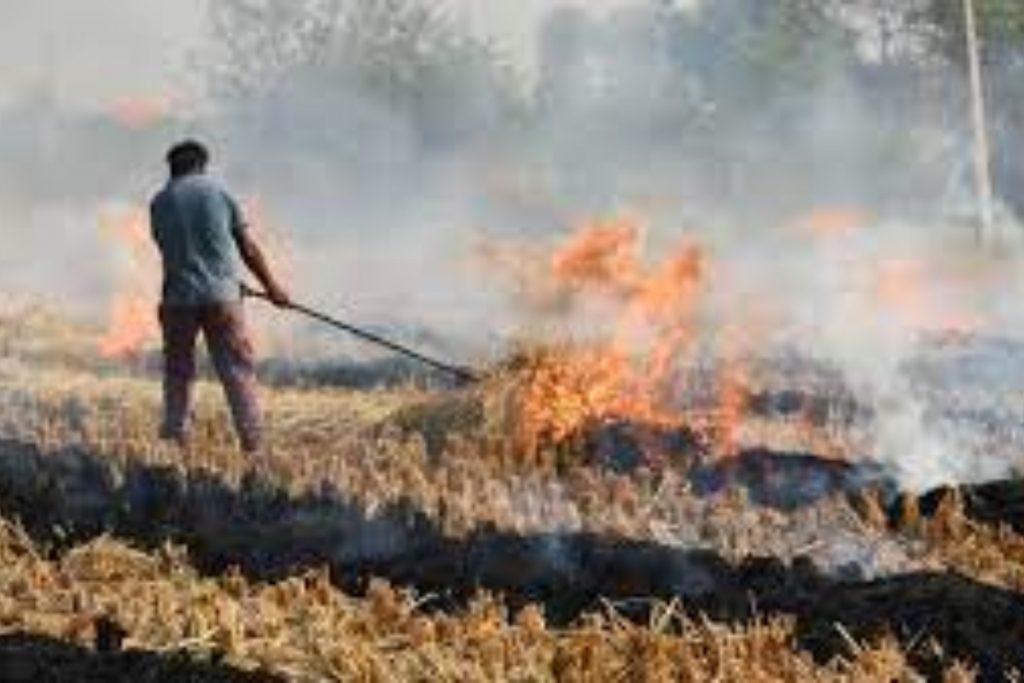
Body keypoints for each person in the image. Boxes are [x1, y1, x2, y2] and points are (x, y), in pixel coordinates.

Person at [149, 140, 290, 453]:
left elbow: (173, 251)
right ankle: (254, 445)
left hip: (177, 299)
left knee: (178, 373)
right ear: (202, 165)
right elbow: (246, 247)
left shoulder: (158, 202)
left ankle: (175, 440)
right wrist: (272, 288)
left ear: (172, 168)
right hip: (222, 298)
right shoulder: (218, 192)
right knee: (237, 370)